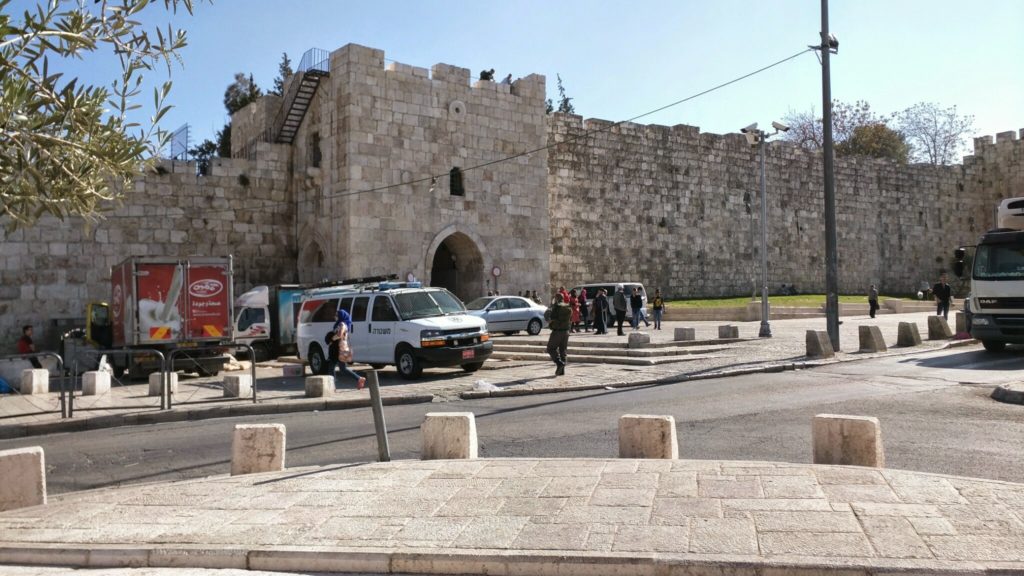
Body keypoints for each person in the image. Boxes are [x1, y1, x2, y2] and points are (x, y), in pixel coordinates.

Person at [327, 324, 365, 390]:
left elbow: (339, 335)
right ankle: (359, 378)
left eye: (337, 315)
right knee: (343, 369)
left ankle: (332, 386)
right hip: (338, 351)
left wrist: (331, 339)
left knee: (331, 369)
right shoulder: (340, 324)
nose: (335, 316)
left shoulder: (342, 324)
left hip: (338, 351)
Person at [545, 293, 572, 376]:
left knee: (550, 348)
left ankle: (559, 363)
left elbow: (550, 317)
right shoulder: (568, 306)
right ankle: (562, 371)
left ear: (556, 298)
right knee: (563, 351)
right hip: (566, 331)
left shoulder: (556, 306)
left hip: (557, 331)